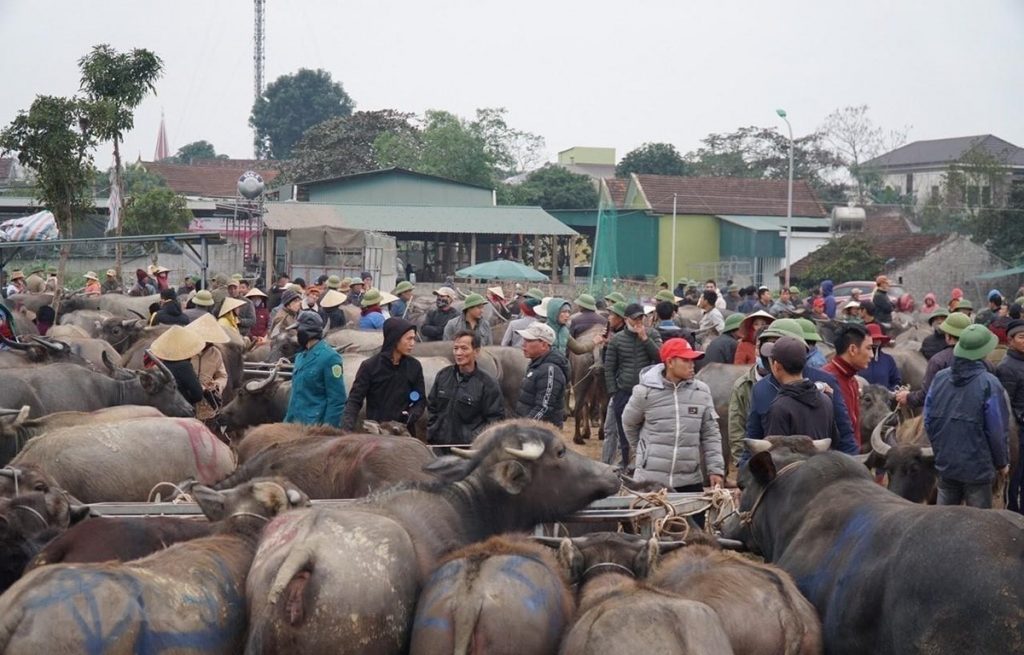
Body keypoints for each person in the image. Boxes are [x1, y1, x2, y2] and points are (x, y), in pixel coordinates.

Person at [744, 319, 859, 457]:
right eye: (770, 344)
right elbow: (753, 439)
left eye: (781, 344)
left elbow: (844, 436)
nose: (773, 354)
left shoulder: (826, 382)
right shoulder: (760, 389)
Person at [622, 338, 725, 492]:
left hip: (690, 479)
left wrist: (715, 469)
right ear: (670, 362)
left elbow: (711, 433)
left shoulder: (701, 392)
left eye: (693, 360)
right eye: (686, 360)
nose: (692, 365)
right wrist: (644, 452)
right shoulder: (644, 392)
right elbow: (629, 423)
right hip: (650, 481)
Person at [925, 324, 1009, 508]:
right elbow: (996, 431)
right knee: (977, 526)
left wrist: (940, 451)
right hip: (977, 470)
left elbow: (928, 420)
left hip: (946, 465)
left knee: (944, 520)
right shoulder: (990, 383)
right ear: (985, 351)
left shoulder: (939, 378)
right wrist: (1002, 462)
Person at [342, 317, 425, 432]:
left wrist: (409, 416)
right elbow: (354, 400)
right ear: (395, 339)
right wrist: (347, 430)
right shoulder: (370, 366)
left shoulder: (414, 366)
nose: (412, 343)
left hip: (403, 432)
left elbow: (419, 400)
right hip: (376, 433)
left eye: (414, 339)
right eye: (409, 339)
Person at [605, 302, 662, 463]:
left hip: (647, 393)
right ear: (626, 319)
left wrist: (645, 339)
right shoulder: (617, 340)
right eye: (634, 318)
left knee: (648, 431)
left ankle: (646, 464)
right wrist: (614, 393)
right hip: (624, 392)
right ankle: (626, 464)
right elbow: (609, 368)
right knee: (624, 433)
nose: (638, 321)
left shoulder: (651, 334)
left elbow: (660, 359)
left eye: (641, 317)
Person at [426, 330, 505, 446]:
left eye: (464, 348)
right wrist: (433, 430)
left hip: (468, 449)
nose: (458, 353)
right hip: (439, 445)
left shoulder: (488, 384)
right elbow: (432, 407)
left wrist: (476, 440)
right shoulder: (443, 375)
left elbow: (495, 420)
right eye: (455, 348)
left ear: (476, 352)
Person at [761, 336, 838, 441]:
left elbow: (776, 453)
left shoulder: (779, 408)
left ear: (776, 366)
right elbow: (834, 440)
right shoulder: (826, 400)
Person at [284, 311, 347, 428]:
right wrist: (287, 421)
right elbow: (295, 396)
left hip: (314, 427)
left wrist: (328, 430)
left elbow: (337, 400)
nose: (296, 335)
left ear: (305, 331)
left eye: (298, 331)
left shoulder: (330, 358)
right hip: (295, 424)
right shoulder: (300, 357)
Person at [898, 312, 973, 410]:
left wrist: (908, 397)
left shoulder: (938, 361)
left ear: (948, 336)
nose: (939, 321)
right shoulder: (984, 362)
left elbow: (927, 394)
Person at [823, 323, 873, 447]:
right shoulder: (825, 380)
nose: (872, 355)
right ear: (852, 349)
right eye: (869, 348)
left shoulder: (853, 381)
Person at [514, 322, 569, 427]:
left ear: (544, 345)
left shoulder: (550, 371)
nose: (523, 344)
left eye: (529, 340)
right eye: (524, 340)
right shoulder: (537, 365)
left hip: (541, 434)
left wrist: (525, 427)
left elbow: (544, 407)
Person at [996, 318, 1024, 512]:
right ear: (1010, 340)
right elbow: (1006, 405)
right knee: (1016, 477)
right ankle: (1014, 512)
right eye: (1022, 337)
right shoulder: (1006, 367)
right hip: (1018, 433)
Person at [146, 325, 205, 406]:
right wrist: (189, 400)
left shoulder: (159, 364)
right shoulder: (184, 366)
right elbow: (197, 395)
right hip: (180, 408)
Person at [185, 313, 230, 410]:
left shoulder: (215, 353)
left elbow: (222, 375)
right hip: (186, 397)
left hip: (207, 400)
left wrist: (217, 386)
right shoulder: (185, 351)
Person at [862, 322, 901, 390]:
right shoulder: (858, 359)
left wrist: (889, 393)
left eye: (877, 339)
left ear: (880, 341)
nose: (875, 342)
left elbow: (896, 382)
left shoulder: (888, 360)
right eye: (873, 340)